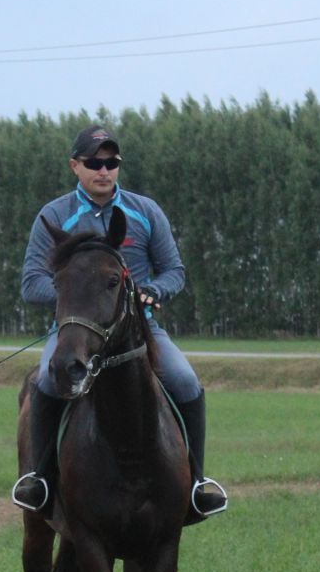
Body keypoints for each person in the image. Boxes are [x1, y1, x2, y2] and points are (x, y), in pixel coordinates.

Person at [12, 125, 227, 523]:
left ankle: (197, 483)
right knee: (45, 379)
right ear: (75, 166)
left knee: (185, 381)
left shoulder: (145, 212)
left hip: (140, 332)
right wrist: (77, 296)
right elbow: (31, 282)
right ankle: (38, 480)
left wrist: (154, 291)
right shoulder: (55, 215)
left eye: (111, 162)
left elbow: (174, 270)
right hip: (77, 333)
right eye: (94, 162)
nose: (104, 170)